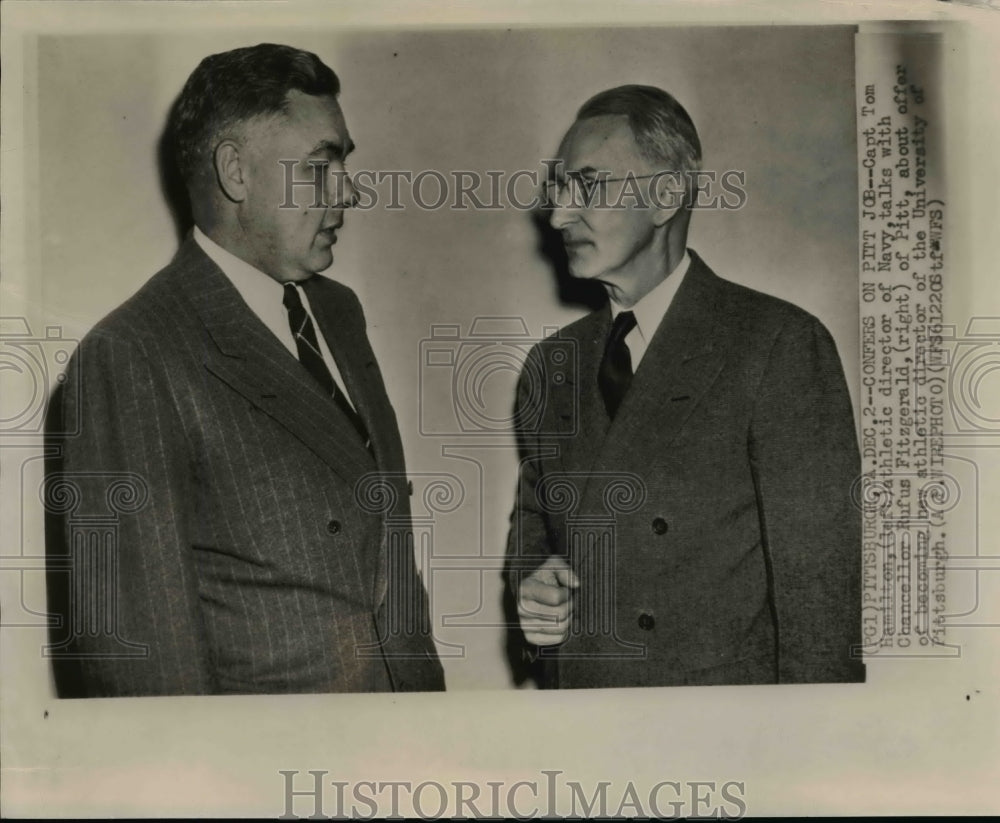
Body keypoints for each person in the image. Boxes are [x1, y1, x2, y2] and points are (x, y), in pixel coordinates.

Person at [44, 43, 444, 696]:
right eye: (320, 166)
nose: (349, 189)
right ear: (235, 171)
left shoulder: (337, 313)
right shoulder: (133, 354)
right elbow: (141, 667)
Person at [508, 85, 864, 688]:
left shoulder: (776, 345)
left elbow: (821, 600)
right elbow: (534, 528)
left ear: (667, 195)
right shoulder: (552, 364)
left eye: (588, 186)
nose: (560, 215)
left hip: (718, 734)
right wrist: (534, 584)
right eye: (559, 191)